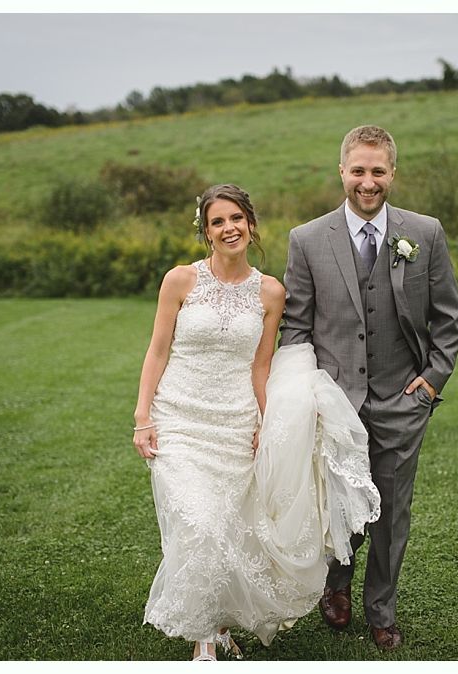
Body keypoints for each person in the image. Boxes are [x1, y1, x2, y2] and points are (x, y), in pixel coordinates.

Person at [132, 184, 380, 660]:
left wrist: (267, 425)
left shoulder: (270, 292)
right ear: (205, 232)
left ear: (251, 224)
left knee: (229, 528)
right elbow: (157, 350)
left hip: (235, 423)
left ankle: (221, 624)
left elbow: (261, 366)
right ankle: (204, 642)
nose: (229, 229)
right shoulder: (180, 281)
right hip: (180, 419)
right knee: (199, 525)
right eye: (218, 222)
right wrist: (143, 416)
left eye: (236, 219)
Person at [280, 125, 458, 650]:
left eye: (377, 171)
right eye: (358, 170)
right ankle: (335, 586)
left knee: (390, 511)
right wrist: (305, 394)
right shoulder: (307, 239)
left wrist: (431, 381)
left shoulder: (424, 233)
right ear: (341, 170)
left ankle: (381, 609)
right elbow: (296, 326)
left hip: (401, 399)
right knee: (339, 502)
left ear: (392, 174)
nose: (367, 181)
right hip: (333, 401)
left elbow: (448, 317)